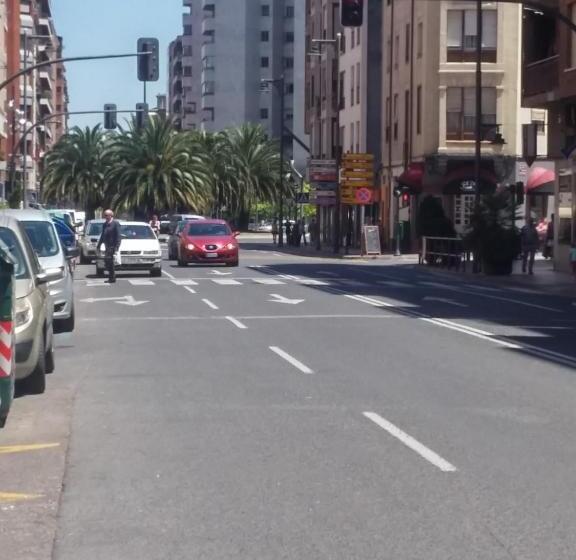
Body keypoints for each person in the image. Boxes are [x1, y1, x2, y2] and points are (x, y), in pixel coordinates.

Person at [97, 209, 122, 283]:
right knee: (108, 261)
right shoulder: (105, 224)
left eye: (106, 215)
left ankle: (112, 277)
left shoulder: (115, 223)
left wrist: (117, 247)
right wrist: (99, 245)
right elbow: (102, 235)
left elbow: (118, 236)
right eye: (104, 215)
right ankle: (112, 276)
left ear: (111, 215)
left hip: (112, 246)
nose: (105, 217)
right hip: (107, 246)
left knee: (109, 260)